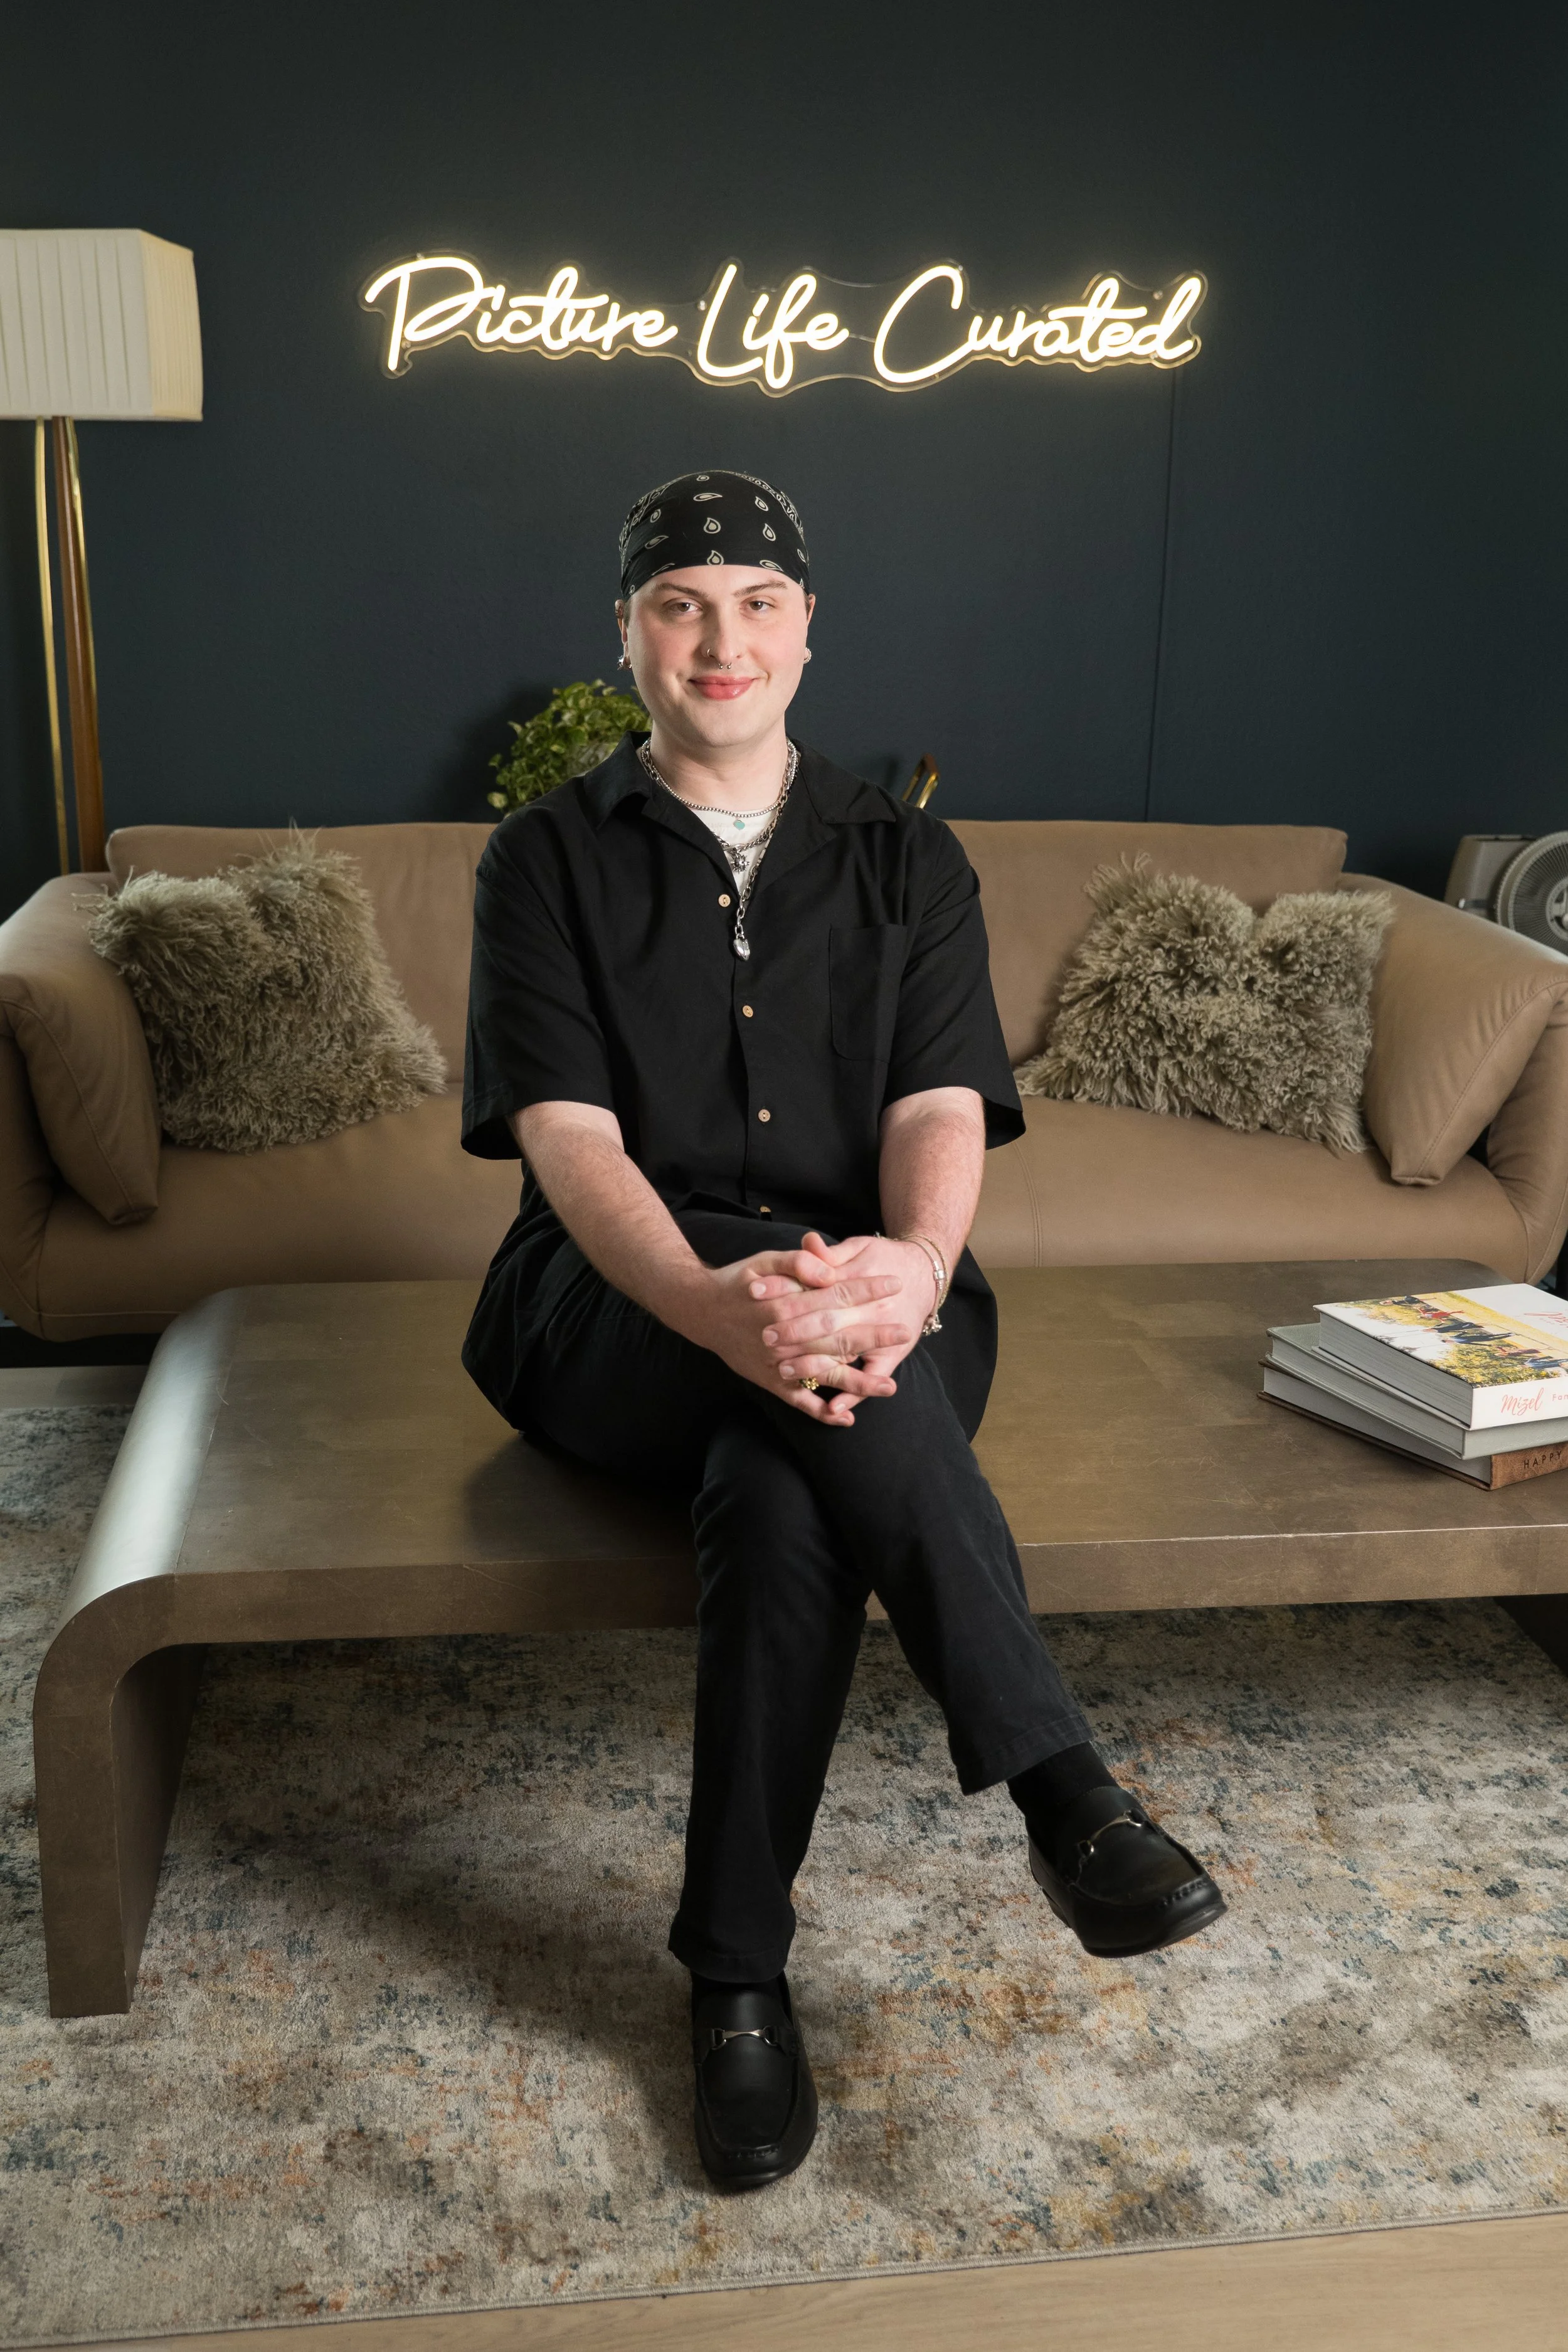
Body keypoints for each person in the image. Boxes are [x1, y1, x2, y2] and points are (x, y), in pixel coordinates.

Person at [460, 469, 1225, 2190]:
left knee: (784, 1476)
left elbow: (940, 1108)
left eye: (753, 601)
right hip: (609, 1305)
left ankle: (736, 1980)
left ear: (809, 631)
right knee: (791, 1406)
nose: (718, 638)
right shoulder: (544, 856)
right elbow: (571, 1146)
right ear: (627, 636)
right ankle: (1065, 1797)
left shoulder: (904, 853)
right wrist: (712, 1305)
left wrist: (910, 1269)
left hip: (878, 1295)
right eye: (678, 602)